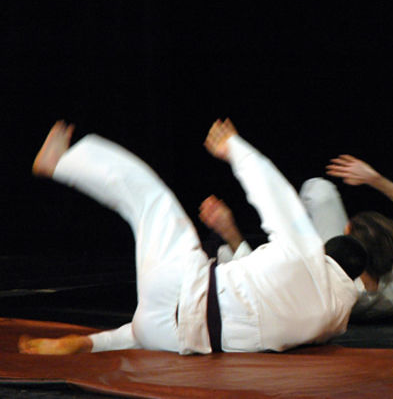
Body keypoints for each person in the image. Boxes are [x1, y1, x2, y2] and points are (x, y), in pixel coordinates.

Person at [18, 119, 367, 355]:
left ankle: (61, 163)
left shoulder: (308, 257)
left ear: (326, 252)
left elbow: (278, 199)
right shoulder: (333, 323)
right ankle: (90, 344)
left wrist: (237, 150)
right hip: (172, 339)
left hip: (182, 287)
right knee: (151, 328)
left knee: (152, 200)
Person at [202, 154, 393, 320]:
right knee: (319, 190)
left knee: (227, 257)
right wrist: (373, 178)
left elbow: (260, 282)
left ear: (346, 233)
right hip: (354, 285)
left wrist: (230, 233)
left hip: (320, 289)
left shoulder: (323, 286)